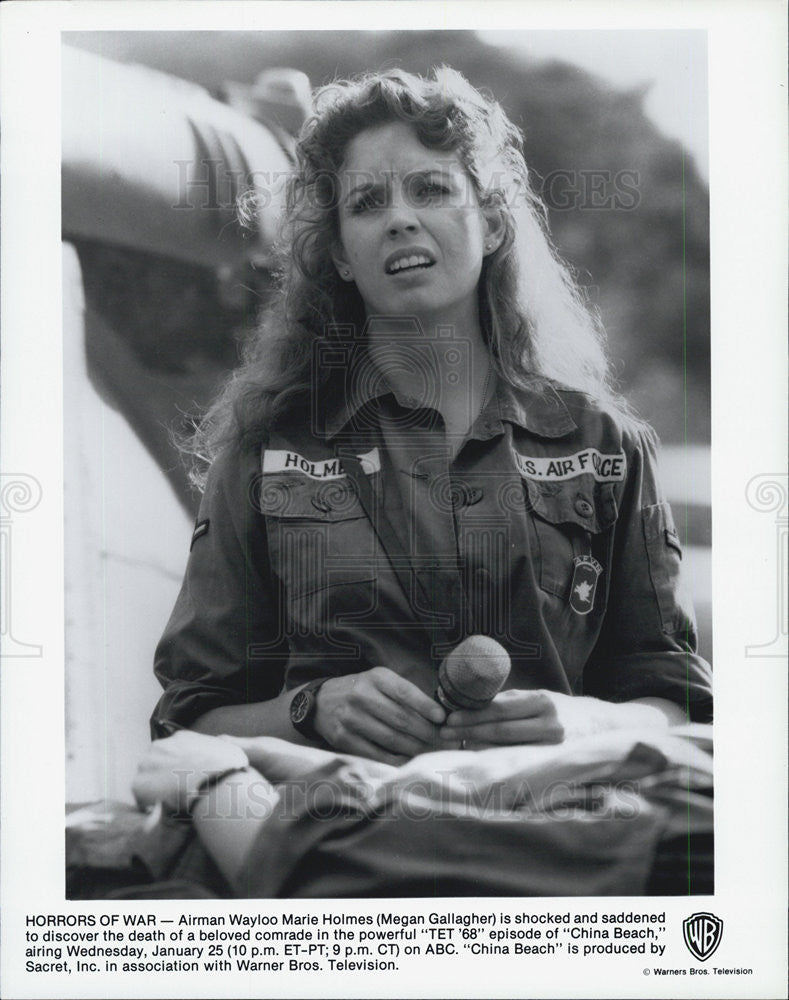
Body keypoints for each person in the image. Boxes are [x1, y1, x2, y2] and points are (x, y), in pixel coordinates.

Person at [151, 67, 712, 768]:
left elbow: (677, 700)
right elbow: (188, 724)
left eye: (431, 189)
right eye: (365, 203)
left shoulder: (606, 446)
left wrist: (583, 722)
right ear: (339, 255)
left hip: (565, 840)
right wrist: (312, 710)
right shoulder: (266, 449)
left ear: (494, 220)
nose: (399, 218)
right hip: (342, 845)